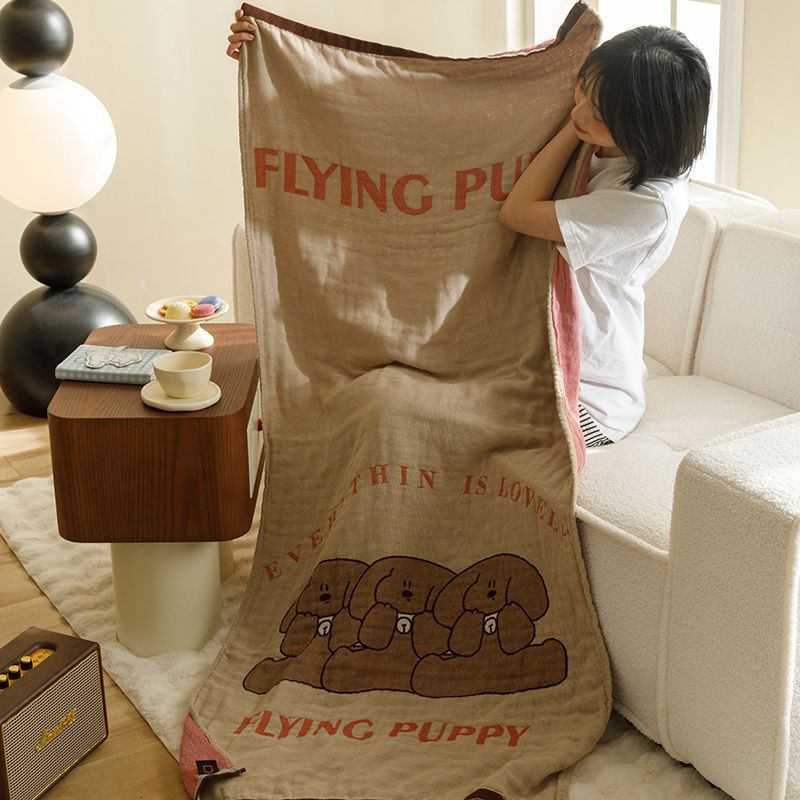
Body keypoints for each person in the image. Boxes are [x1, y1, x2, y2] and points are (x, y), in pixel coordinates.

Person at [499, 26, 711, 447]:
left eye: (601, 114)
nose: (579, 115)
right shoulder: (605, 149)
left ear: (648, 126)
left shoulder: (647, 203)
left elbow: (516, 213)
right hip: (536, 365)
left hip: (592, 397)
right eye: (581, 92)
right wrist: (588, 112)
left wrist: (569, 126)